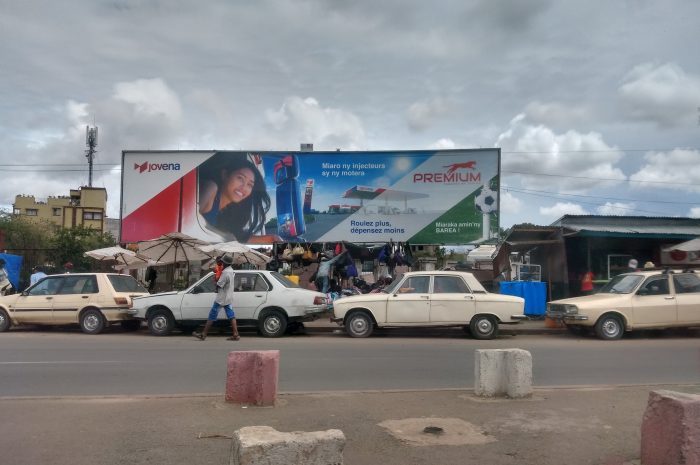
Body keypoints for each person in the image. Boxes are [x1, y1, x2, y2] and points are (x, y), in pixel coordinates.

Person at [199, 156, 271, 243]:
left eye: (249, 184)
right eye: (240, 178)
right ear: (225, 175)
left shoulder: (225, 210)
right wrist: (226, 236)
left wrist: (271, 238)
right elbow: (188, 222)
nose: (244, 187)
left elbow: (238, 237)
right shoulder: (210, 187)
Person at [193, 254, 240, 341]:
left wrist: (216, 279)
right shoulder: (230, 270)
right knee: (231, 316)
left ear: (225, 262)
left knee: (212, 315)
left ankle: (203, 334)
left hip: (221, 298)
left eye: (222, 261)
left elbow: (219, 285)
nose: (221, 262)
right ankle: (236, 334)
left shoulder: (225, 272)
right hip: (228, 297)